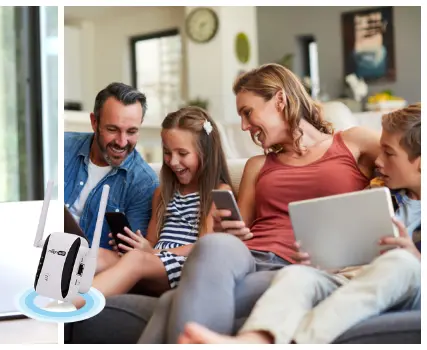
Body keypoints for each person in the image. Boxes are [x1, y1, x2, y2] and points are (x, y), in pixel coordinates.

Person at [139, 63, 382, 343]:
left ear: (279, 100)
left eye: (247, 112)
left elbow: (410, 159)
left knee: (172, 301)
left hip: (295, 265)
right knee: (214, 243)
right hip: (248, 256)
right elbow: (238, 229)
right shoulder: (257, 166)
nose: (244, 126)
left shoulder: (353, 143)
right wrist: (224, 227)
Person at [179, 103, 421, 344]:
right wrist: (322, 258)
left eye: (388, 153)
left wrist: (416, 259)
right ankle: (253, 341)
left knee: (402, 263)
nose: (378, 160)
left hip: (410, 286)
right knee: (297, 275)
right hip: (350, 278)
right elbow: (352, 248)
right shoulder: (380, 193)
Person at [71, 107, 234, 309]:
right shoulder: (162, 193)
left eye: (182, 153)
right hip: (153, 263)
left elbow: (202, 247)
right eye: (167, 152)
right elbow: (151, 242)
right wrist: (133, 244)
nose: (173, 162)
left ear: (207, 153)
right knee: (100, 255)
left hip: (185, 266)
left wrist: (151, 253)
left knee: (136, 260)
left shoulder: (217, 192)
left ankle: (72, 306)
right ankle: (53, 291)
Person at [64, 82, 158, 272]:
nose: (122, 142)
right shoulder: (62, 147)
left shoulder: (143, 183)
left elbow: (129, 261)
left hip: (86, 272)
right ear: (94, 122)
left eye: (131, 131)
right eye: (113, 129)